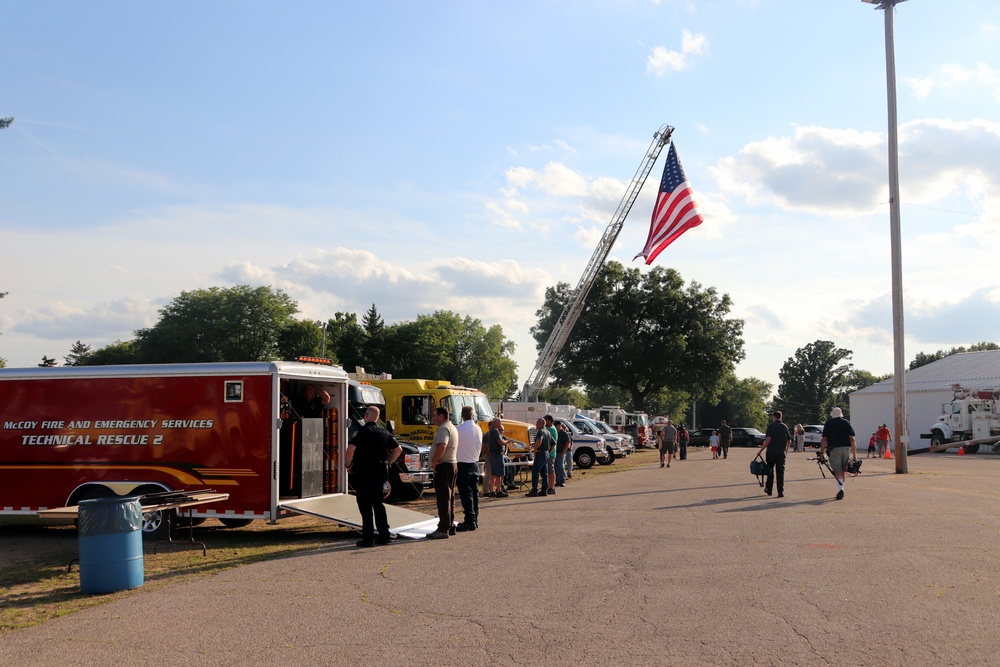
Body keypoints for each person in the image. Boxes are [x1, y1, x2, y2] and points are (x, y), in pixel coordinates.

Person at [345, 406, 401, 548]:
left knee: (365, 505)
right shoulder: (384, 431)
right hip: (380, 472)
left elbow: (350, 449)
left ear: (367, 415)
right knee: (378, 504)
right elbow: (398, 449)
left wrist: (348, 465)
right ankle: (384, 535)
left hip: (364, 472)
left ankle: (368, 538)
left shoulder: (362, 432)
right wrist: (388, 462)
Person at [427, 407, 459, 539]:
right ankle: (450, 525)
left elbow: (442, 445)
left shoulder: (443, 428)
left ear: (441, 416)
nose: (433, 418)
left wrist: (434, 461)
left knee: (443, 498)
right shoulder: (451, 427)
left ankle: (443, 529)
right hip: (451, 464)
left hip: (445, 465)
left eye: (434, 415)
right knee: (449, 497)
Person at [819, 407, 857, 501]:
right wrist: (855, 455)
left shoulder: (829, 423)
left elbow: (824, 439)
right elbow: (852, 439)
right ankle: (842, 488)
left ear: (833, 414)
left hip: (834, 450)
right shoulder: (847, 423)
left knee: (837, 471)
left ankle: (841, 489)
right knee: (843, 470)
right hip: (846, 449)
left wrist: (821, 452)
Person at [455, 406, 482, 532]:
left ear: (462, 416)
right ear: (473, 415)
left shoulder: (459, 429)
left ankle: (469, 520)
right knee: (474, 493)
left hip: (463, 463)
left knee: (466, 493)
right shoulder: (478, 428)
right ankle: (475, 518)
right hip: (474, 462)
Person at [759, 410, 791, 498]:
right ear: (780, 417)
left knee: (770, 471)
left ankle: (769, 489)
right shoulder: (785, 427)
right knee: (780, 472)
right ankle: (780, 491)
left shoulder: (771, 426)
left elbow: (768, 440)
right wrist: (786, 450)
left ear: (774, 417)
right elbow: (789, 440)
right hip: (781, 453)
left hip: (771, 452)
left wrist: (761, 450)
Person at [526, 418, 553, 497]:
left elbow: (539, 440)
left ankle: (534, 490)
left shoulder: (540, 431)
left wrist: (535, 449)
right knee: (544, 472)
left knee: (535, 471)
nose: (536, 425)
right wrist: (549, 451)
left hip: (541, 453)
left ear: (541, 424)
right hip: (546, 453)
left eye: (537, 423)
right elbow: (553, 443)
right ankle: (544, 490)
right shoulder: (548, 432)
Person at [483, 418, 509, 498]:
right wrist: (508, 441)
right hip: (495, 454)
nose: (501, 423)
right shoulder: (494, 431)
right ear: (495, 423)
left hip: (493, 454)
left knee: (493, 474)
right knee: (498, 474)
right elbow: (500, 442)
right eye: (500, 422)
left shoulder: (490, 432)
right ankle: (498, 490)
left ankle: (491, 490)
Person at [544, 415, 558, 495]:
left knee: (550, 471)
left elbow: (552, 442)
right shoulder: (551, 429)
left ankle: (551, 487)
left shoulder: (550, 429)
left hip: (551, 453)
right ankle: (550, 486)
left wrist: (548, 452)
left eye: (545, 420)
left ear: (549, 421)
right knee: (550, 470)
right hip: (551, 452)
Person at [555, 421, 571, 487]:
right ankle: (558, 481)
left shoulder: (564, 434)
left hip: (561, 452)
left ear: (560, 426)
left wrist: (563, 452)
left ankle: (562, 480)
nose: (556, 427)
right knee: (556, 467)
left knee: (561, 466)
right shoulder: (555, 433)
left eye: (557, 425)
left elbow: (568, 443)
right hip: (555, 452)